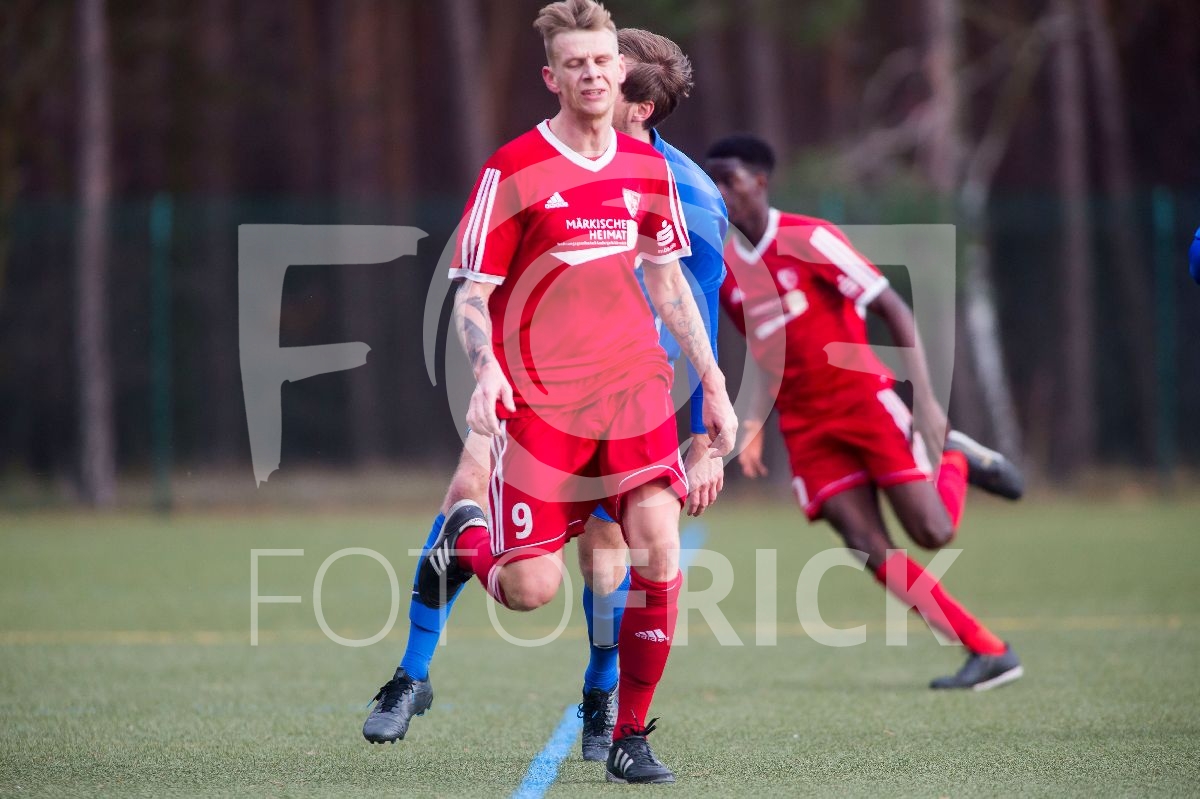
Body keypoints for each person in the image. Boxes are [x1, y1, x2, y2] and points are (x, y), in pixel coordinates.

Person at [371, 1, 737, 785]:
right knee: (531, 587)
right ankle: (463, 542)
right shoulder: (513, 169)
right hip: (539, 400)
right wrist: (487, 368)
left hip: (633, 387)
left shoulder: (658, 176)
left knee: (653, 544)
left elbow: (672, 284)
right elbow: (472, 293)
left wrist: (712, 386)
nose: (593, 75)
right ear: (553, 77)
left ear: (621, 73)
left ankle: (629, 733)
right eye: (577, 64)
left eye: (603, 62)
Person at [706, 133, 1024, 691]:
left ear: (759, 182)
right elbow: (766, 355)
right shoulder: (727, 271)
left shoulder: (809, 238)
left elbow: (893, 307)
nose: (720, 194)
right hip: (806, 428)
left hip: (862, 403)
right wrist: (753, 424)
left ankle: (954, 459)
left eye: (728, 181)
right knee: (867, 547)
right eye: (712, 185)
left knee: (933, 532)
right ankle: (987, 649)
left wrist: (926, 401)